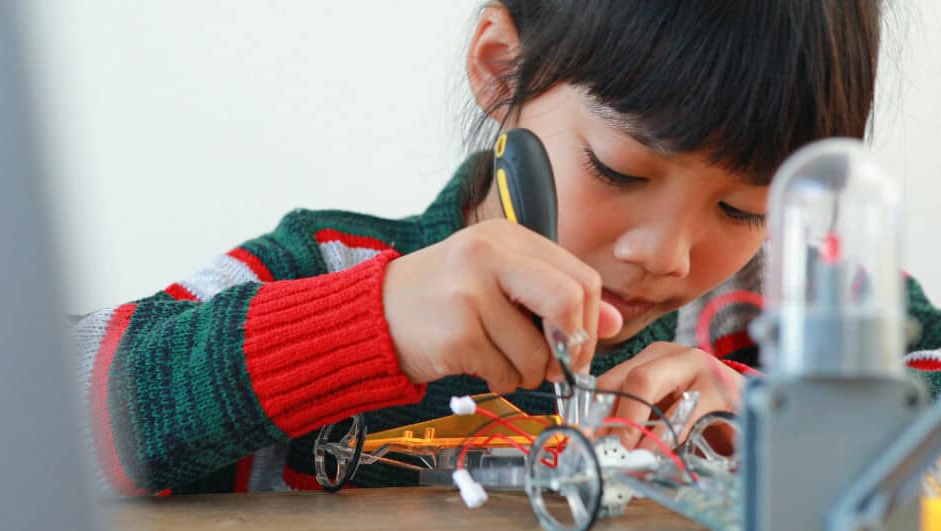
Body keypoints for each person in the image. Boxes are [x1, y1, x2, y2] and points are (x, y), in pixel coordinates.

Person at [73, 1, 941, 496]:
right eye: (619, 169)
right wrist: (359, 328)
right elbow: (14, 426)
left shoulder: (791, 300)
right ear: (498, 69)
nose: (669, 254)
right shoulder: (328, 269)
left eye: (744, 205)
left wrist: (797, 421)